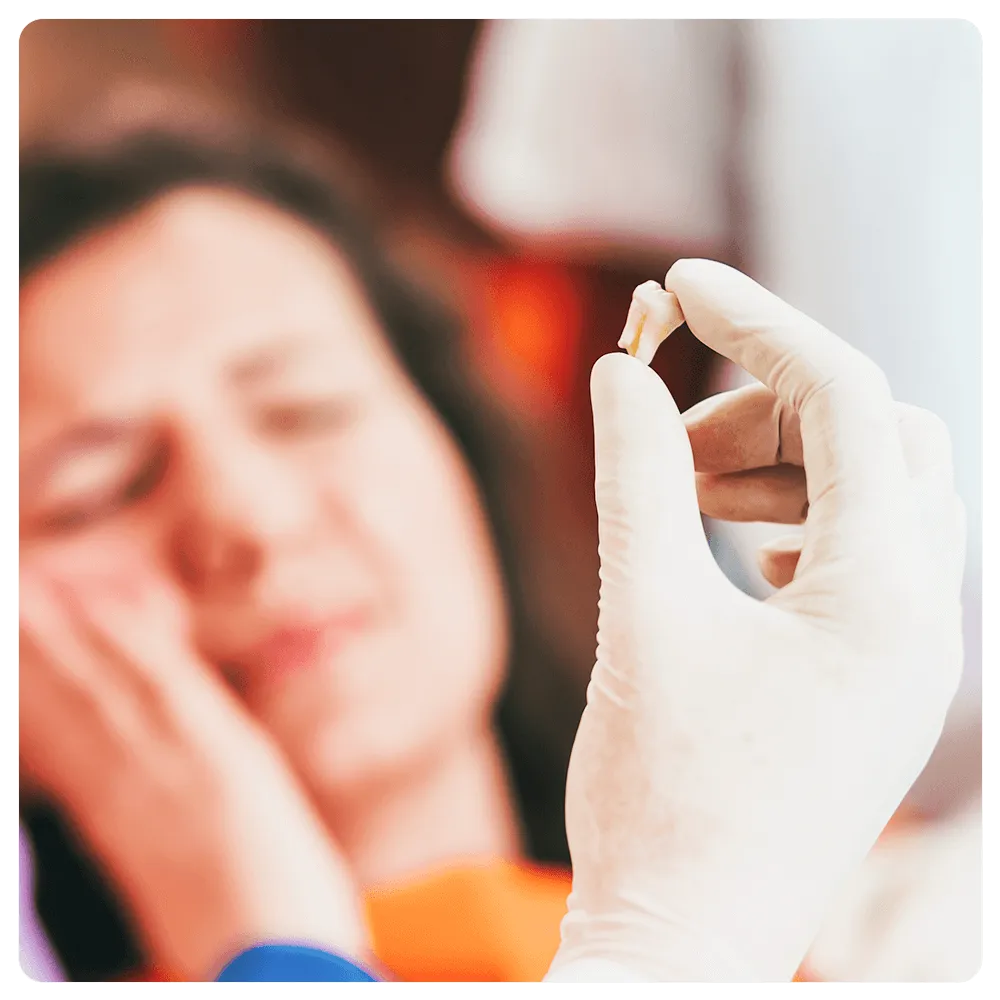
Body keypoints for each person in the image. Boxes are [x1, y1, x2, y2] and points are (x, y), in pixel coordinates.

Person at [18, 128, 972, 983]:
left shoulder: (886, 928)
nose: (251, 521)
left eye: (306, 409)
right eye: (96, 490)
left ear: (460, 448)